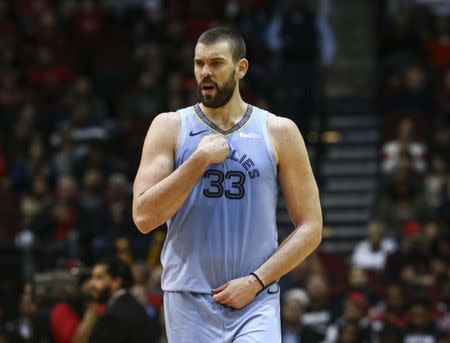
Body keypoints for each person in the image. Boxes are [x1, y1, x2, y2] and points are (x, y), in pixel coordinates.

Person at [132, 26, 322, 342]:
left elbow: (311, 227)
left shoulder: (278, 131)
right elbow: (144, 217)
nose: (205, 72)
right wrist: (198, 160)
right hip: (188, 297)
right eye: (199, 63)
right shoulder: (169, 127)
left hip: (255, 297)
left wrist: (257, 281)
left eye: (216, 63)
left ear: (241, 68)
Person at [72, 256, 160, 343]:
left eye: (99, 278)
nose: (91, 284)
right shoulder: (133, 305)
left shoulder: (112, 316)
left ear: (116, 281)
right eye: (92, 277)